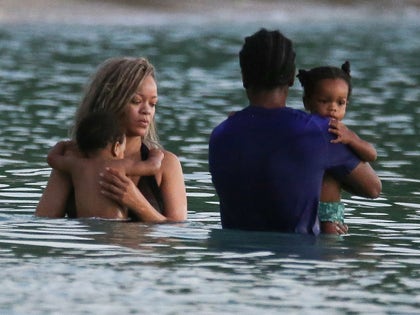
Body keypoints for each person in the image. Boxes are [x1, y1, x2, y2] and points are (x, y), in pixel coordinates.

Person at [208, 29, 381, 235]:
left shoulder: (220, 134)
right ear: (291, 79)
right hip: (300, 260)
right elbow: (373, 188)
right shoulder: (318, 131)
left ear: (244, 78)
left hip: (234, 261)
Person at [36, 57, 187, 223]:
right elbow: (43, 224)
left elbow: (176, 236)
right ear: (110, 101)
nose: (147, 111)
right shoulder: (74, 159)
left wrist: (137, 203)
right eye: (136, 101)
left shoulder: (166, 164)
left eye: (153, 103)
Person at [297, 61, 377, 234]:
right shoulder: (314, 132)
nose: (333, 107)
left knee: (330, 252)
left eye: (340, 103)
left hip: (323, 210)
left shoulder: (343, 134)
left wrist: (352, 139)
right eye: (324, 101)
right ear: (307, 102)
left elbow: (371, 154)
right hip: (316, 211)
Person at [47, 111, 164, 219]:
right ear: (116, 147)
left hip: (84, 227)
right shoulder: (120, 165)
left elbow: (52, 159)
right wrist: (156, 154)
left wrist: (62, 144)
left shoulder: (75, 165)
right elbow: (153, 166)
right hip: (114, 226)